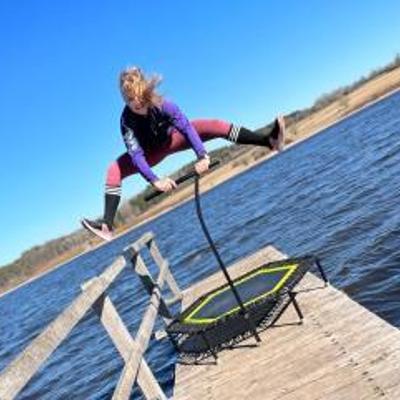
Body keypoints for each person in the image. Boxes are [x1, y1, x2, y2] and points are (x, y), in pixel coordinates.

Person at [81, 67, 286, 241]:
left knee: (216, 125)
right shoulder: (126, 121)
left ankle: (270, 141)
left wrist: (202, 155)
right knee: (113, 169)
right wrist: (155, 180)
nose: (137, 104)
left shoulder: (163, 105)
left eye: (139, 97)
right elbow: (136, 156)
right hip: (150, 154)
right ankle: (107, 226)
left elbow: (187, 128)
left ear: (145, 89)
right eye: (130, 101)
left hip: (174, 139)